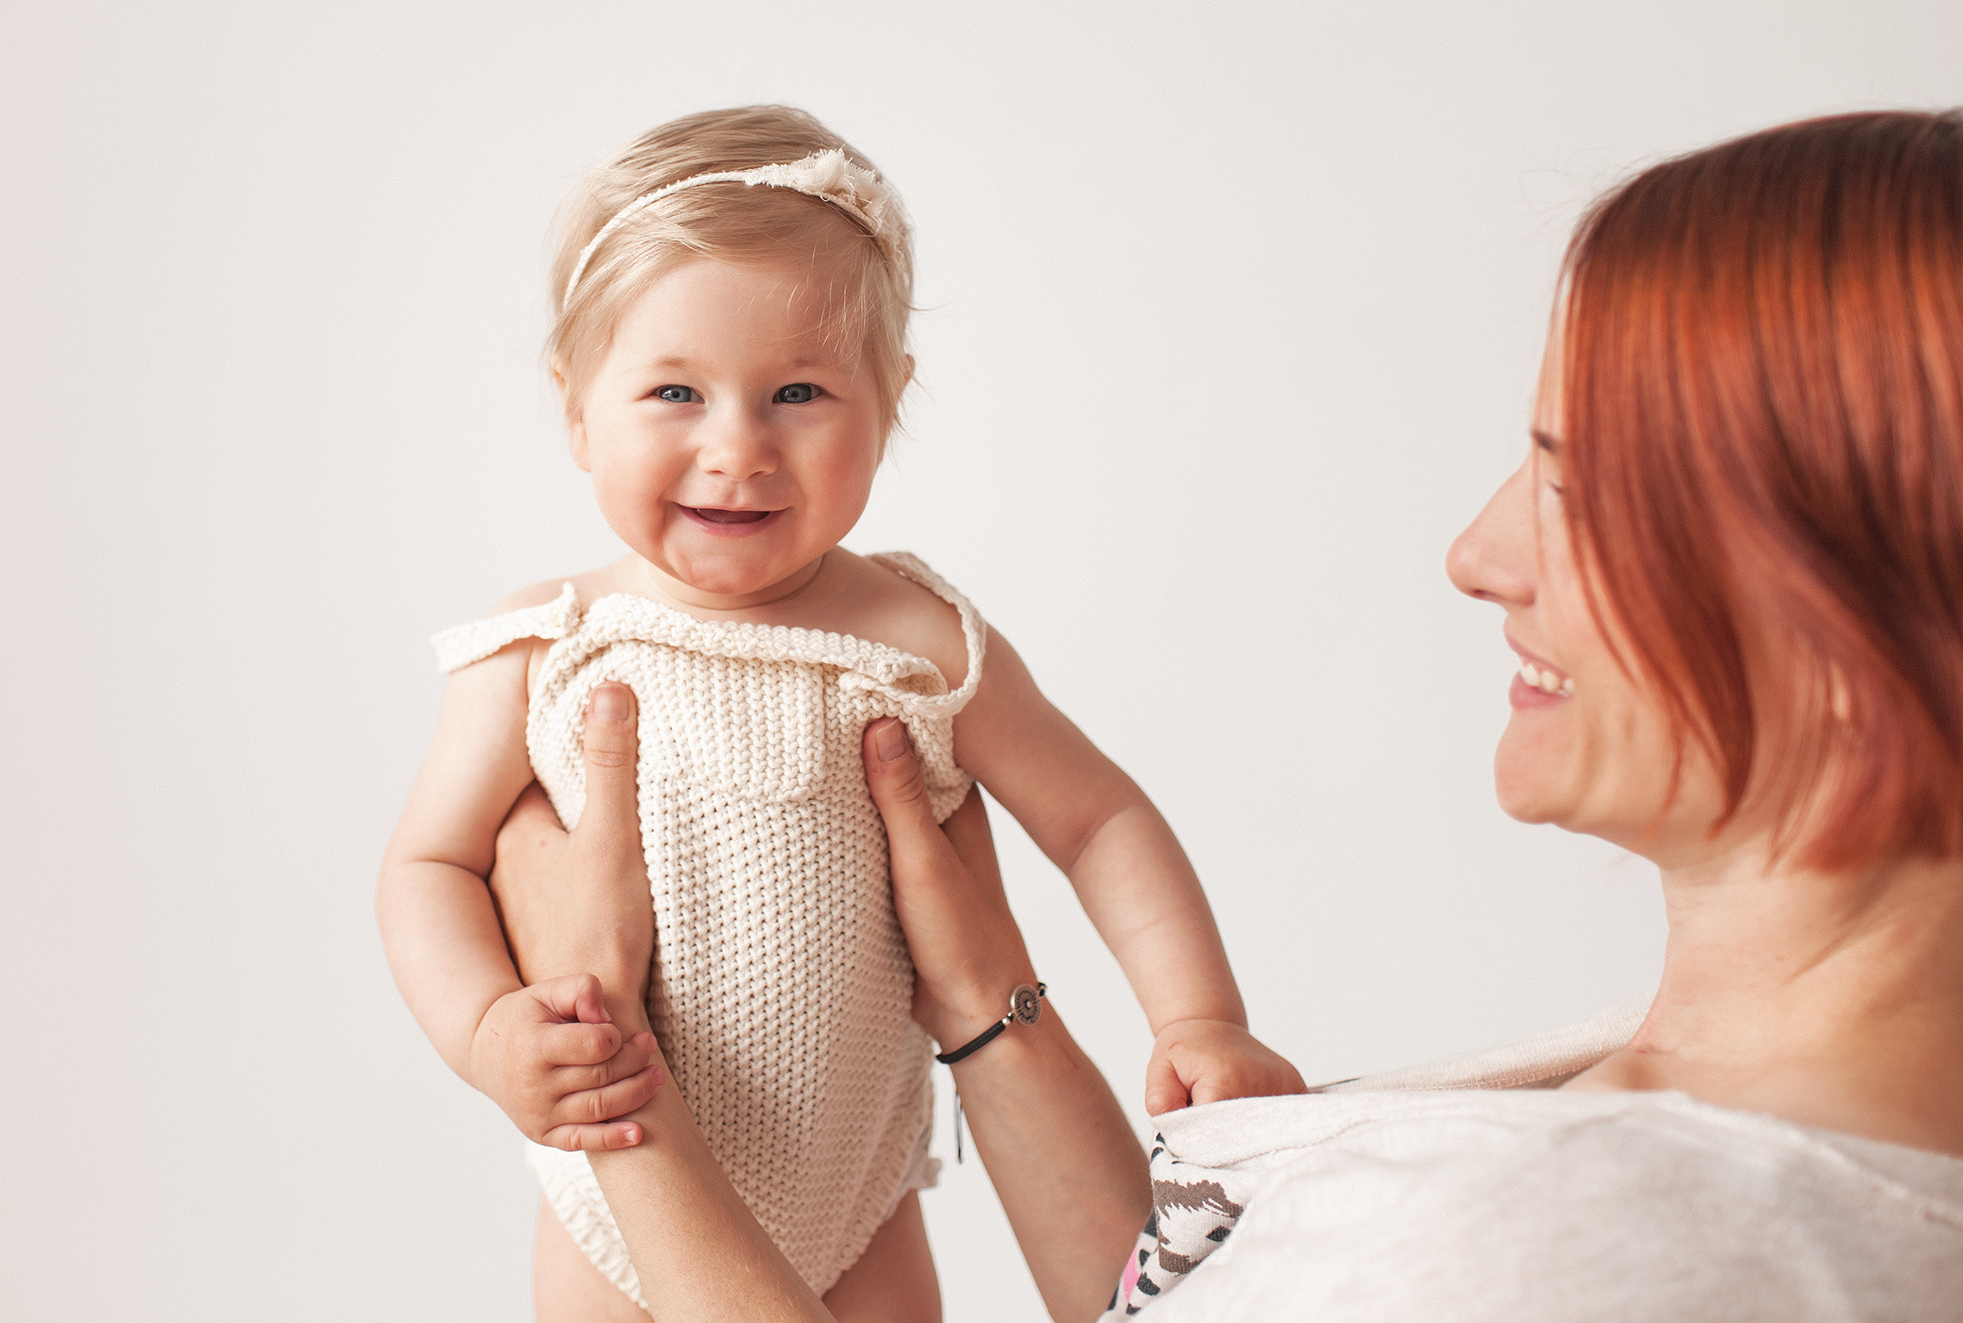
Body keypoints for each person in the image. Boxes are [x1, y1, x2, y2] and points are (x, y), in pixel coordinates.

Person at [489, 109, 1963, 1320]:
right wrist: (989, 1003)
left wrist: (622, 1095)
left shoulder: (1586, 1250)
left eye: (1577, 485)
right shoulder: (1672, 1093)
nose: (1479, 553)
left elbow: (1100, 811)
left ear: (1855, 624)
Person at [375, 105, 1299, 1322]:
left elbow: (1098, 820)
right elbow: (426, 866)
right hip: (615, 1196)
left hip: (862, 1200)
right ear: (574, 407)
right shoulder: (545, 649)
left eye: (797, 391)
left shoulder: (919, 643)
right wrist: (491, 1033)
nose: (737, 448)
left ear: (891, 399)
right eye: (673, 392)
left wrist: (1197, 1015)